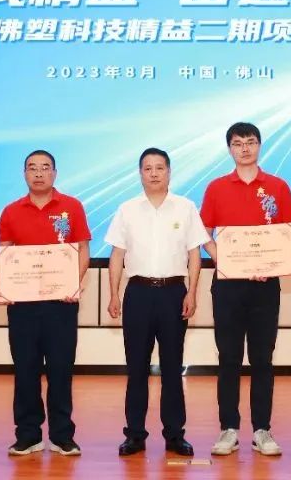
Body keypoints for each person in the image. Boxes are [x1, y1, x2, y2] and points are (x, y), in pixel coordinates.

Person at [106, 148, 210, 457]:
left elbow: (194, 254)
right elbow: (117, 255)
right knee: (136, 367)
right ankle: (135, 435)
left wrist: (192, 292)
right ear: (140, 173)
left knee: (172, 367)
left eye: (159, 167)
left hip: (173, 293)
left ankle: (175, 435)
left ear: (169, 172)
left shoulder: (186, 208)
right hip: (137, 293)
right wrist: (113, 294)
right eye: (148, 168)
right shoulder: (127, 209)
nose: (154, 173)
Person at [200, 122, 291, 457]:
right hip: (228, 285)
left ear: (259, 146)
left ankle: (261, 430)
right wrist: (222, 257)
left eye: (250, 142)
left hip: (265, 287)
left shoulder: (278, 187)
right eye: (238, 143)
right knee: (228, 358)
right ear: (229, 149)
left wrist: (271, 265)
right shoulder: (216, 187)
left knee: (262, 358)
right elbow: (204, 231)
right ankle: (228, 429)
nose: (244, 148)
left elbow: (287, 234)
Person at [0, 150, 91, 456]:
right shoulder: (11, 211)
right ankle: (28, 435)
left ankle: (62, 435)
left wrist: (73, 282)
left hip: (61, 303)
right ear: (24, 174)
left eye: (45, 168)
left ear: (55, 173)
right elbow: (4, 254)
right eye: (32, 168)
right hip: (23, 305)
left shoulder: (71, 207)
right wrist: (3, 283)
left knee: (61, 370)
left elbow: (82, 250)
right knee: (25, 370)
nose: (38, 173)